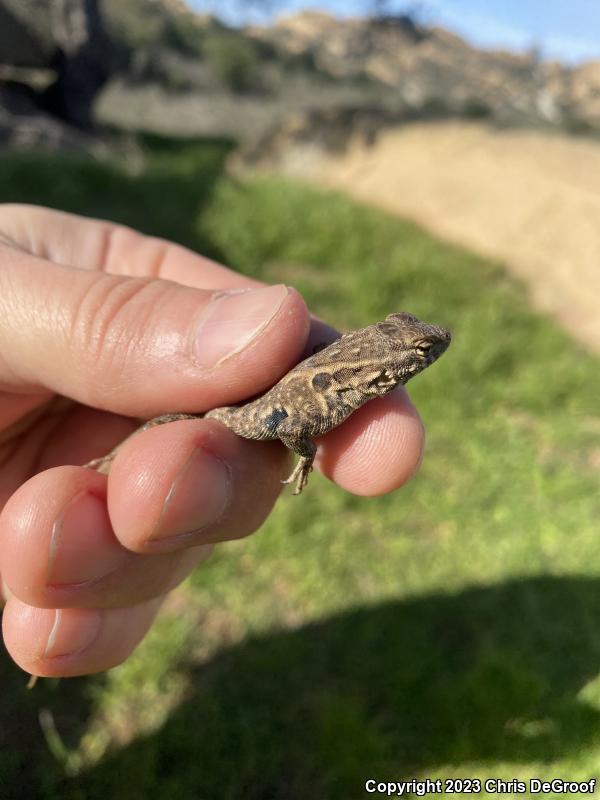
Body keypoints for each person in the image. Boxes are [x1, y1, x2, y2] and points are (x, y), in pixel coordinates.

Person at [0, 204, 425, 678]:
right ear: (385, 367)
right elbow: (289, 427)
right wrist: (305, 458)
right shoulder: (341, 390)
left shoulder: (349, 376)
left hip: (226, 412)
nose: (433, 344)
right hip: (229, 414)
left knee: (147, 495)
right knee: (153, 475)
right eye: (422, 351)